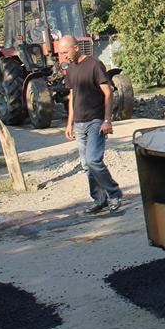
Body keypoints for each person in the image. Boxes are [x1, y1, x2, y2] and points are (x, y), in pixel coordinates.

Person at [56, 35, 123, 214]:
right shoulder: (70, 69)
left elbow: (108, 93)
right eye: (60, 53)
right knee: (86, 165)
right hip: (78, 124)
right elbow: (72, 97)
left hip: (96, 121)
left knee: (93, 160)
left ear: (76, 48)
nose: (63, 56)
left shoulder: (94, 65)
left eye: (65, 52)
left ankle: (114, 194)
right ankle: (99, 199)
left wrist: (107, 120)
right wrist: (69, 123)